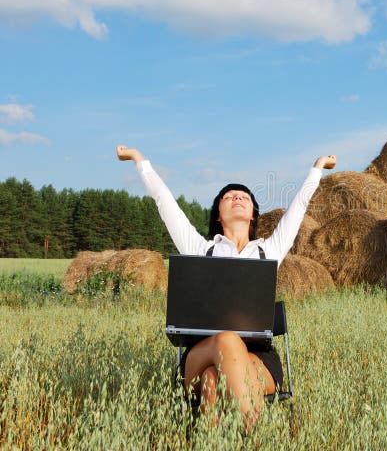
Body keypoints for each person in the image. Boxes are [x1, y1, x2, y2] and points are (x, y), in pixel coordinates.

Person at [116, 145, 336, 423]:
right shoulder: (200, 248)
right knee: (227, 340)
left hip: (258, 356)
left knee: (212, 380)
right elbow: (165, 202)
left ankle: (213, 438)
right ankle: (252, 434)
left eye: (244, 196)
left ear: (254, 213)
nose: (237, 198)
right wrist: (139, 160)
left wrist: (316, 169)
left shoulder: (268, 252)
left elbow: (298, 208)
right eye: (229, 196)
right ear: (217, 214)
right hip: (202, 352)